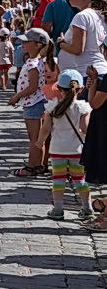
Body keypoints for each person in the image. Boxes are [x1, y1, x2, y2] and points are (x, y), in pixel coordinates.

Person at [10, 29, 57, 178]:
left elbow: (33, 86)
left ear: (37, 45)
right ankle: (39, 165)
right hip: (34, 102)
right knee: (38, 138)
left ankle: (31, 167)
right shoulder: (35, 62)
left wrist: (17, 96)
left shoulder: (33, 64)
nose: (23, 44)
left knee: (34, 139)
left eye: (27, 41)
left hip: (33, 103)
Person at [45, 69, 92, 221]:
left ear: (58, 88)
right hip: (77, 149)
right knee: (80, 180)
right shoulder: (83, 108)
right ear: (81, 89)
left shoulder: (52, 107)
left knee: (58, 180)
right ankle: (87, 208)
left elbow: (46, 128)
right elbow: (84, 129)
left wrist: (39, 142)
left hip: (57, 149)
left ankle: (58, 209)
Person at [55, 0, 107, 96]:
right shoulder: (99, 14)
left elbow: (77, 49)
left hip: (85, 75)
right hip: (97, 71)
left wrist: (61, 43)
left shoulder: (82, 16)